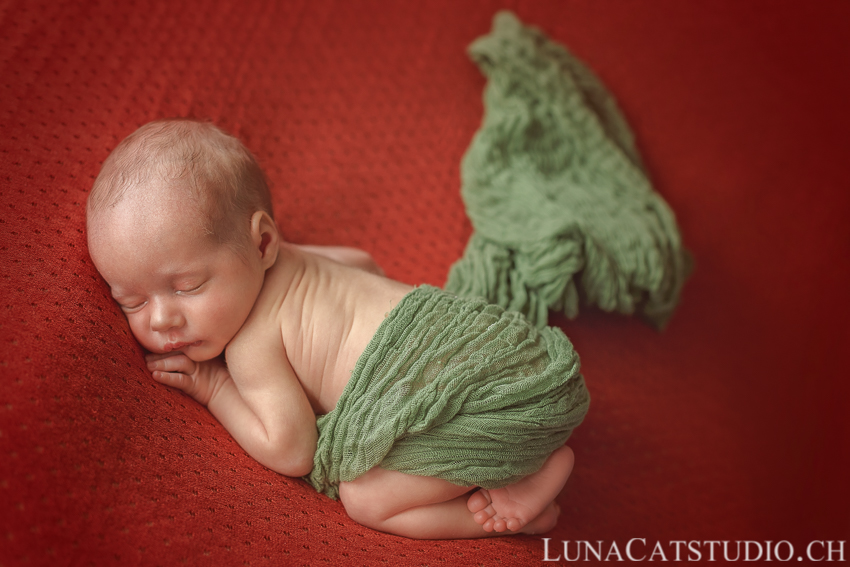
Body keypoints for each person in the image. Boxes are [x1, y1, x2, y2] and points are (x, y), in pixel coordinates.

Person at [86, 118, 588, 540]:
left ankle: (509, 503)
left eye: (188, 285)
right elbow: (363, 262)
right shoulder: (305, 259)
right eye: (130, 300)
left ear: (262, 244)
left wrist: (215, 387)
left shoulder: (251, 345)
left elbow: (292, 449)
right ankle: (530, 450)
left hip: (472, 404)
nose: (160, 319)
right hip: (511, 351)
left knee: (364, 497)